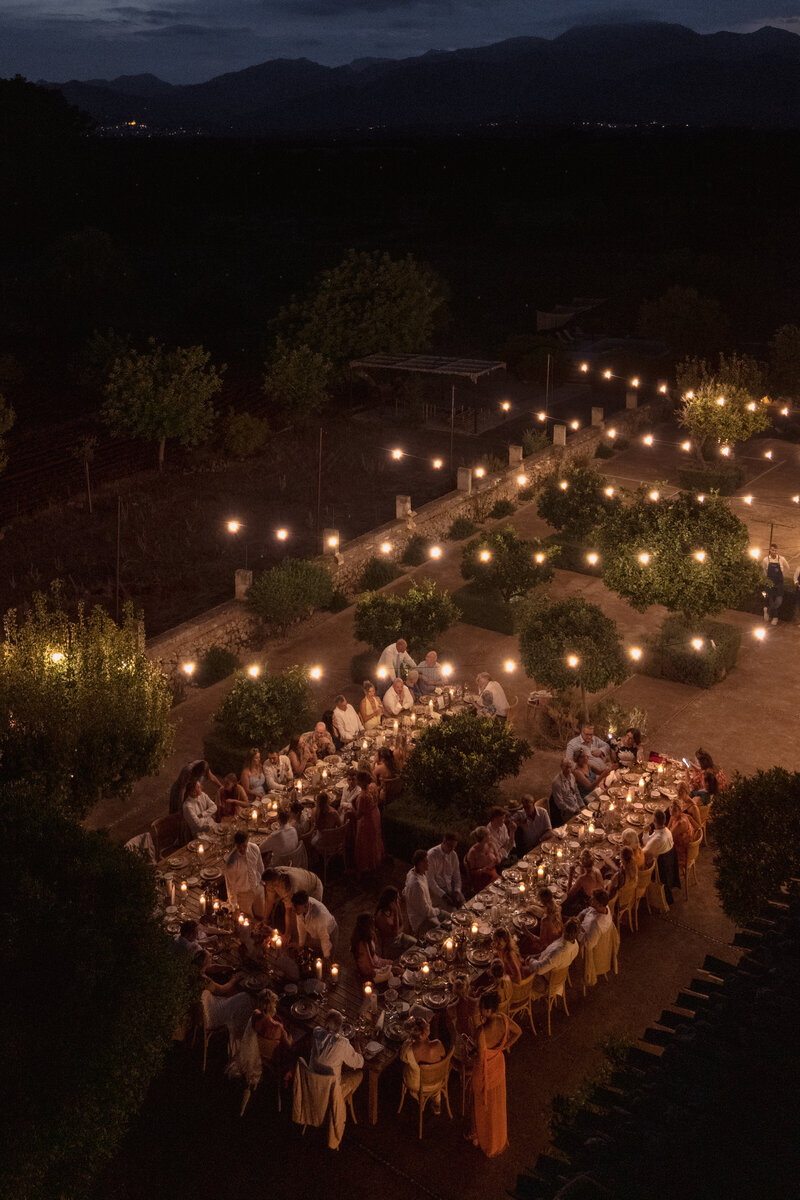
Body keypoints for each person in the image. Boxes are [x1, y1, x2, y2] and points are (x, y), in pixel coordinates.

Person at [470, 991, 521, 1157]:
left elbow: (481, 1058)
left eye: (481, 1008)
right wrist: (504, 1046)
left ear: (488, 1010)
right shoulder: (503, 1019)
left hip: (484, 1070)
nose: (479, 1010)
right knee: (496, 1103)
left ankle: (478, 1135)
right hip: (498, 1063)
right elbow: (518, 1032)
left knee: (479, 1102)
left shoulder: (481, 1032)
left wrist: (471, 1052)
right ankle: (495, 1136)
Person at [309, 1010, 363, 1103]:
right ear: (340, 1027)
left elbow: (323, 1031)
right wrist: (357, 1043)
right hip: (330, 1094)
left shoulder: (316, 1032)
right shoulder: (342, 1043)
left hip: (312, 1085)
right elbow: (360, 1062)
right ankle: (337, 1105)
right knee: (359, 1074)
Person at [525, 918, 580, 992]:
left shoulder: (559, 951)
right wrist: (536, 956)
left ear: (564, 928)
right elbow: (549, 954)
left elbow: (539, 969)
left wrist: (530, 960)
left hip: (545, 981)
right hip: (558, 975)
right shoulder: (575, 944)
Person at [404, 850, 443, 936]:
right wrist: (437, 910)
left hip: (427, 913)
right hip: (421, 921)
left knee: (448, 917)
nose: (428, 863)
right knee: (444, 930)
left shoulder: (412, 872)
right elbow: (425, 911)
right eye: (426, 861)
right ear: (420, 863)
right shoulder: (417, 885)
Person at [225, 830, 264, 915]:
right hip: (243, 895)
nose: (242, 849)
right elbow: (230, 886)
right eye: (239, 846)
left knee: (262, 915)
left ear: (247, 841)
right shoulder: (231, 862)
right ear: (235, 844)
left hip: (257, 888)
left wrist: (262, 883)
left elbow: (260, 867)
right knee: (249, 920)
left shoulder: (255, 848)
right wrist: (235, 906)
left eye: (244, 845)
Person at [292, 891, 338, 961]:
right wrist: (301, 944)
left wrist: (326, 957)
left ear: (305, 906)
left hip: (329, 933)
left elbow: (324, 938)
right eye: (293, 908)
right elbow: (301, 927)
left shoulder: (319, 915)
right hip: (317, 932)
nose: (293, 911)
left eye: (296, 909)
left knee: (328, 960)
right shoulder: (300, 907)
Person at [350, 914, 394, 984]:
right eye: (372, 924)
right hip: (370, 971)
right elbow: (371, 965)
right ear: (367, 926)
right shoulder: (363, 943)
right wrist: (384, 970)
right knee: (392, 972)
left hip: (376, 961)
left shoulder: (366, 937)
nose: (374, 927)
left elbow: (374, 956)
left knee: (393, 964)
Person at [374, 886, 416, 957]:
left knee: (416, 944)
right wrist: (396, 911)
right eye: (397, 898)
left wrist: (397, 908)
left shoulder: (393, 908)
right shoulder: (382, 916)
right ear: (391, 901)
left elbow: (401, 924)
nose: (399, 899)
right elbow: (396, 932)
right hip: (390, 945)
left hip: (399, 937)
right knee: (409, 954)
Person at [354, 781, 384, 875]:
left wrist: (352, 809)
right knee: (373, 839)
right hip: (374, 815)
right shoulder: (373, 786)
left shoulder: (362, 796)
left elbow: (358, 815)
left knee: (365, 842)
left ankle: (366, 865)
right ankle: (374, 861)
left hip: (365, 821)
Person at [562, 849, 604, 917]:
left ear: (582, 862)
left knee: (563, 905)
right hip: (600, 902)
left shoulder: (582, 878)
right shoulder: (597, 871)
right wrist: (582, 866)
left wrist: (571, 874)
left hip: (589, 907)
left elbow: (569, 894)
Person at [427, 833, 465, 907]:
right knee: (453, 911)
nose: (452, 850)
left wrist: (457, 891)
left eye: (454, 847)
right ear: (444, 842)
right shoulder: (431, 855)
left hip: (450, 888)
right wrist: (443, 895)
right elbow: (430, 881)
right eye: (450, 846)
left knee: (465, 905)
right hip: (437, 890)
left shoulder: (453, 855)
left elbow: (457, 876)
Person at [524, 888, 563, 955]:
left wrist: (526, 932)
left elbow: (542, 941)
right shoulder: (558, 908)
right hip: (559, 940)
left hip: (550, 948)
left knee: (524, 942)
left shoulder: (545, 920)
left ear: (541, 901)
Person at [464, 827, 501, 892]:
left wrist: (498, 859)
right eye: (489, 835)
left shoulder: (491, 845)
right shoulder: (473, 852)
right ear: (484, 837)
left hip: (493, 873)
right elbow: (471, 872)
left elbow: (498, 856)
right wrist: (482, 870)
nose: (490, 837)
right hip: (481, 878)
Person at [762, 543, 790, 625]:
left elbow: (788, 568)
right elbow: (764, 571)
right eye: (772, 550)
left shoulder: (781, 559)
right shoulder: (765, 560)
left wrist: (782, 575)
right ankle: (775, 617)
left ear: (777, 551)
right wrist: (767, 579)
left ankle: (767, 610)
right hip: (770, 583)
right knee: (771, 600)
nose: (774, 552)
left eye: (775, 550)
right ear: (770, 550)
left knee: (778, 601)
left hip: (779, 583)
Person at [550, 758, 583, 825]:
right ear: (561, 766)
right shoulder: (557, 783)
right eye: (566, 767)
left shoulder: (572, 776)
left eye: (570, 767)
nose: (568, 770)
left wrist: (582, 805)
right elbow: (560, 803)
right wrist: (574, 810)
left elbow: (577, 792)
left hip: (576, 807)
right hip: (567, 813)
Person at [668, 800, 696, 870]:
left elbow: (668, 837)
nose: (671, 811)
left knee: (658, 852)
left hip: (681, 852)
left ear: (680, 811)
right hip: (676, 843)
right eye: (671, 807)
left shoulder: (680, 823)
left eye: (675, 810)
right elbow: (668, 829)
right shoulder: (676, 816)